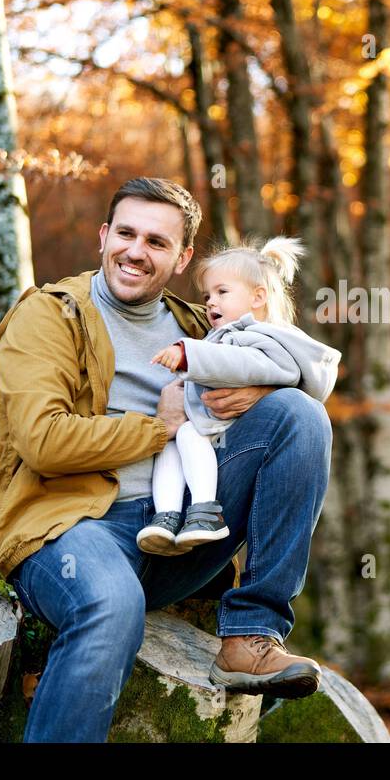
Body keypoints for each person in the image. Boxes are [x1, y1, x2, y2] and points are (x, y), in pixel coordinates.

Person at [0, 177, 333, 742]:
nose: (136, 252)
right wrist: (156, 428)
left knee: (301, 415)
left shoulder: (204, 323)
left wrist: (260, 394)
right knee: (110, 605)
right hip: (72, 528)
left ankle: (249, 635)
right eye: (126, 233)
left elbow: (294, 364)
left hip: (186, 533)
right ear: (103, 236)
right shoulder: (51, 315)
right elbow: (40, 440)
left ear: (182, 257)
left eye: (157, 242)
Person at [140, 235, 342, 565]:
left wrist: (188, 355)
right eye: (207, 295)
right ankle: (166, 517)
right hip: (210, 429)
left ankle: (204, 510)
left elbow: (244, 367)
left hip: (229, 437)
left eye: (222, 292)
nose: (210, 302)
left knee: (188, 435)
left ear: (257, 297)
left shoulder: (261, 337)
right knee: (170, 442)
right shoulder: (221, 336)